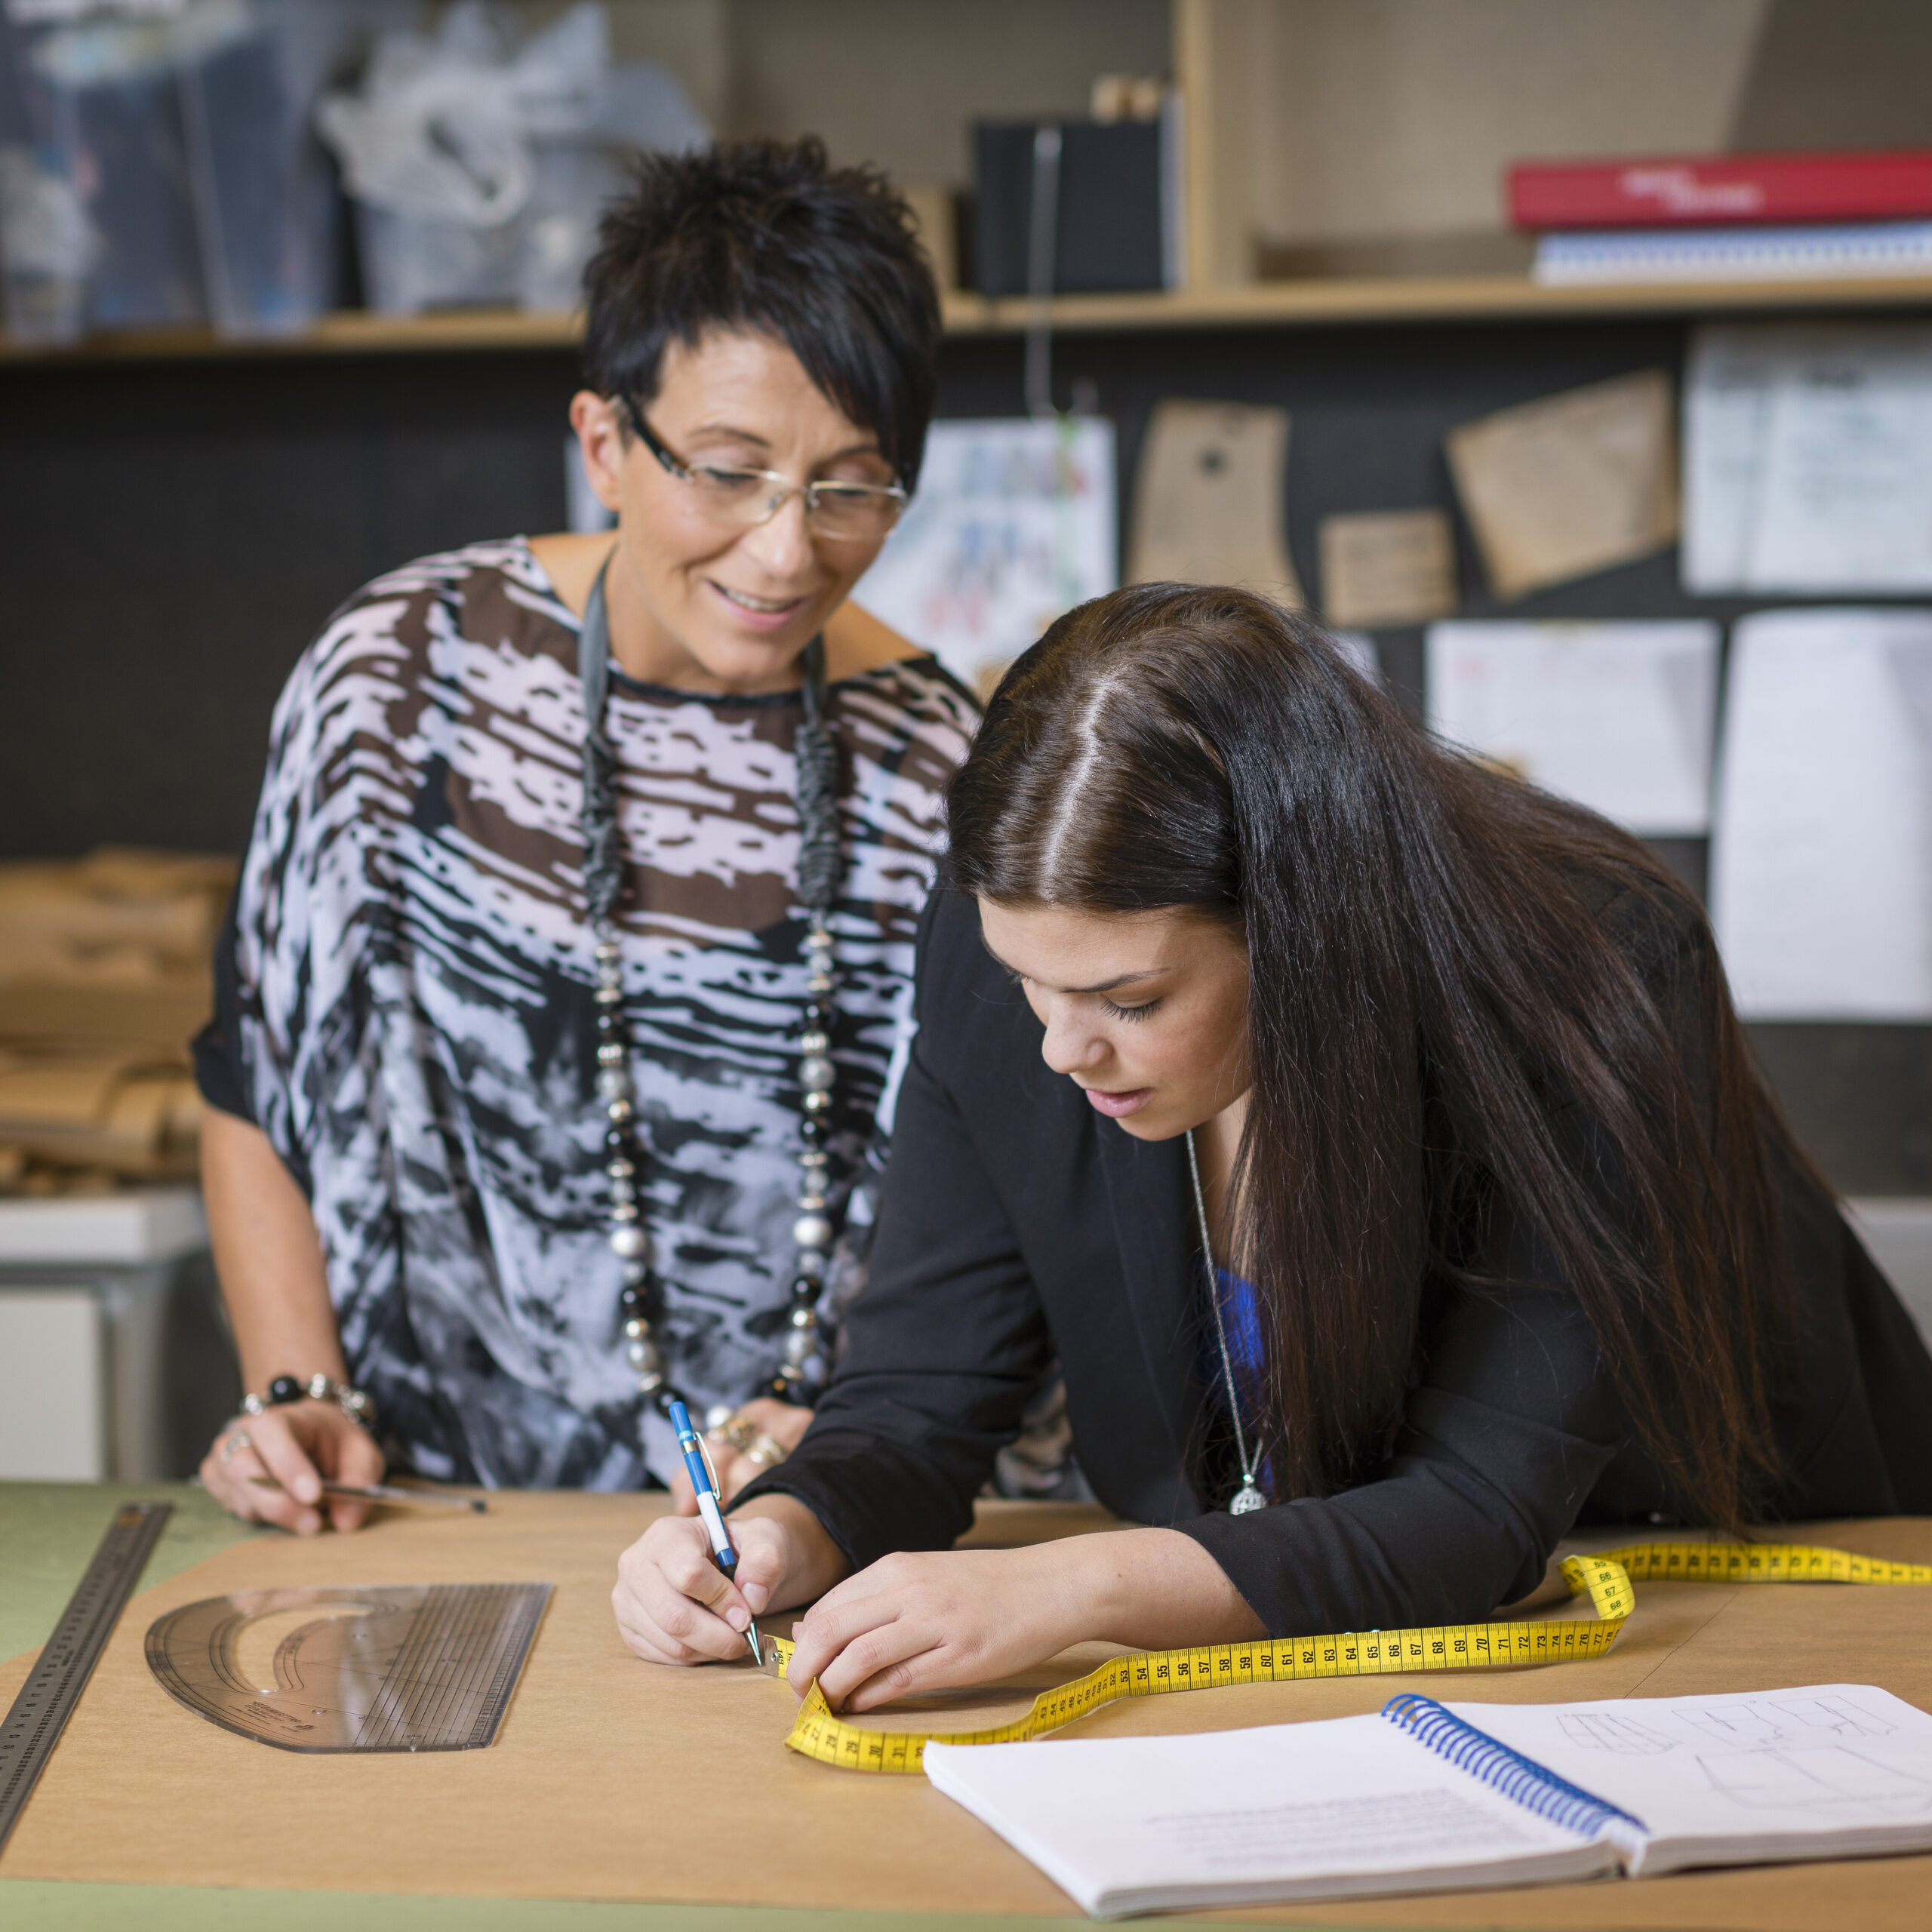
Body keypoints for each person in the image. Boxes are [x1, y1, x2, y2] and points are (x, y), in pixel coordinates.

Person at [612, 582, 1932, 1709]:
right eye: (1031, 983)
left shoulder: (1597, 967)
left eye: (1131, 1004)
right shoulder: (1017, 947)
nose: (1060, 1050)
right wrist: (785, 1531)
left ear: (1305, 937)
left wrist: (1070, 1585)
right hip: (1339, 1629)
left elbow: (1477, 1515)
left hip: (1727, 1597)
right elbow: (915, 1400)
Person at [193, 138, 977, 1534]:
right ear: (606, 444)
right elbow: (253, 1066)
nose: (787, 551)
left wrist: (860, 1445)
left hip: (796, 1529)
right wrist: (293, 1385)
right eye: (728, 472)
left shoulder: (935, 763)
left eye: (851, 486)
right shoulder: (403, 678)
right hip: (423, 1517)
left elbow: (987, 1195)